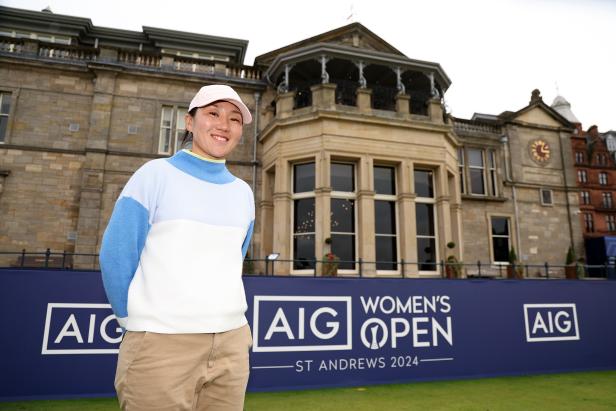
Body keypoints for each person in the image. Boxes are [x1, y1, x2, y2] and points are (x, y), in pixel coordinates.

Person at [99, 84, 255, 410]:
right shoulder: (154, 175)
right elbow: (116, 254)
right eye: (213, 113)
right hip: (160, 344)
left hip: (232, 342)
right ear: (189, 121)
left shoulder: (243, 193)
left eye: (235, 119)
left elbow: (233, 261)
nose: (224, 125)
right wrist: (134, 322)